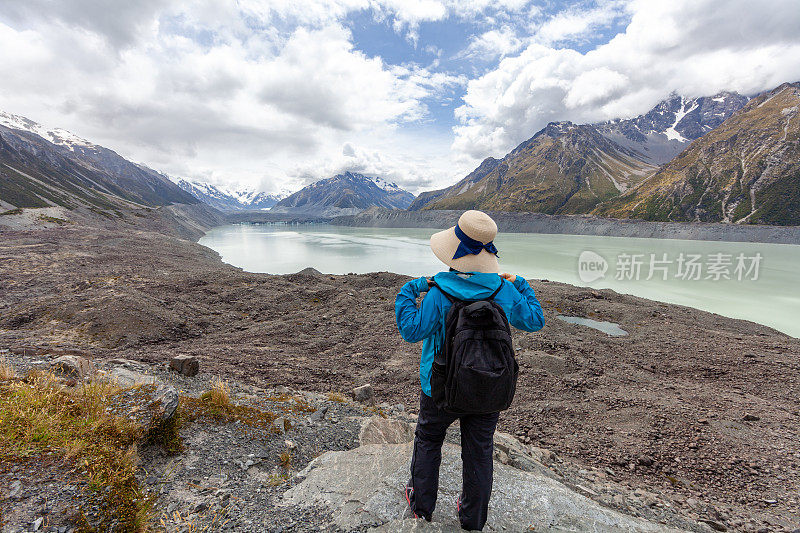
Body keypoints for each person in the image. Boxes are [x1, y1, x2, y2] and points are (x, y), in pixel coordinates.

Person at [395, 209, 544, 531]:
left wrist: (411, 289)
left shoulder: (438, 292)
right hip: (488, 385)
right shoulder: (503, 290)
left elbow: (411, 330)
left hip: (439, 386)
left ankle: (421, 507)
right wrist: (522, 284)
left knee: (429, 439)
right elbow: (534, 320)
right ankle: (472, 519)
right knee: (479, 450)